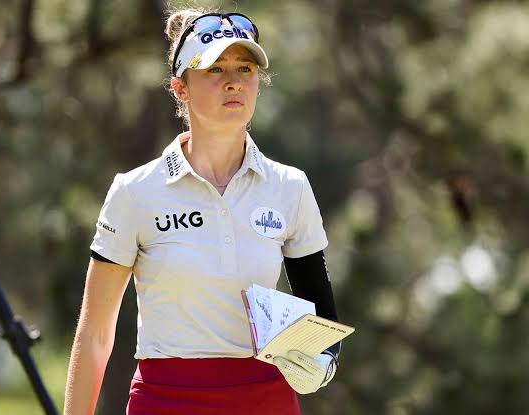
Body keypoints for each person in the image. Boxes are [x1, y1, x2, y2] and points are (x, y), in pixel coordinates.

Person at [63, 7, 342, 415]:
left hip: (265, 400)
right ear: (181, 89)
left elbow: (322, 318)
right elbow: (95, 336)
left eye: (245, 68)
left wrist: (320, 359)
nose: (234, 82)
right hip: (165, 400)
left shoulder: (290, 187)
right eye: (214, 69)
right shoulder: (135, 192)